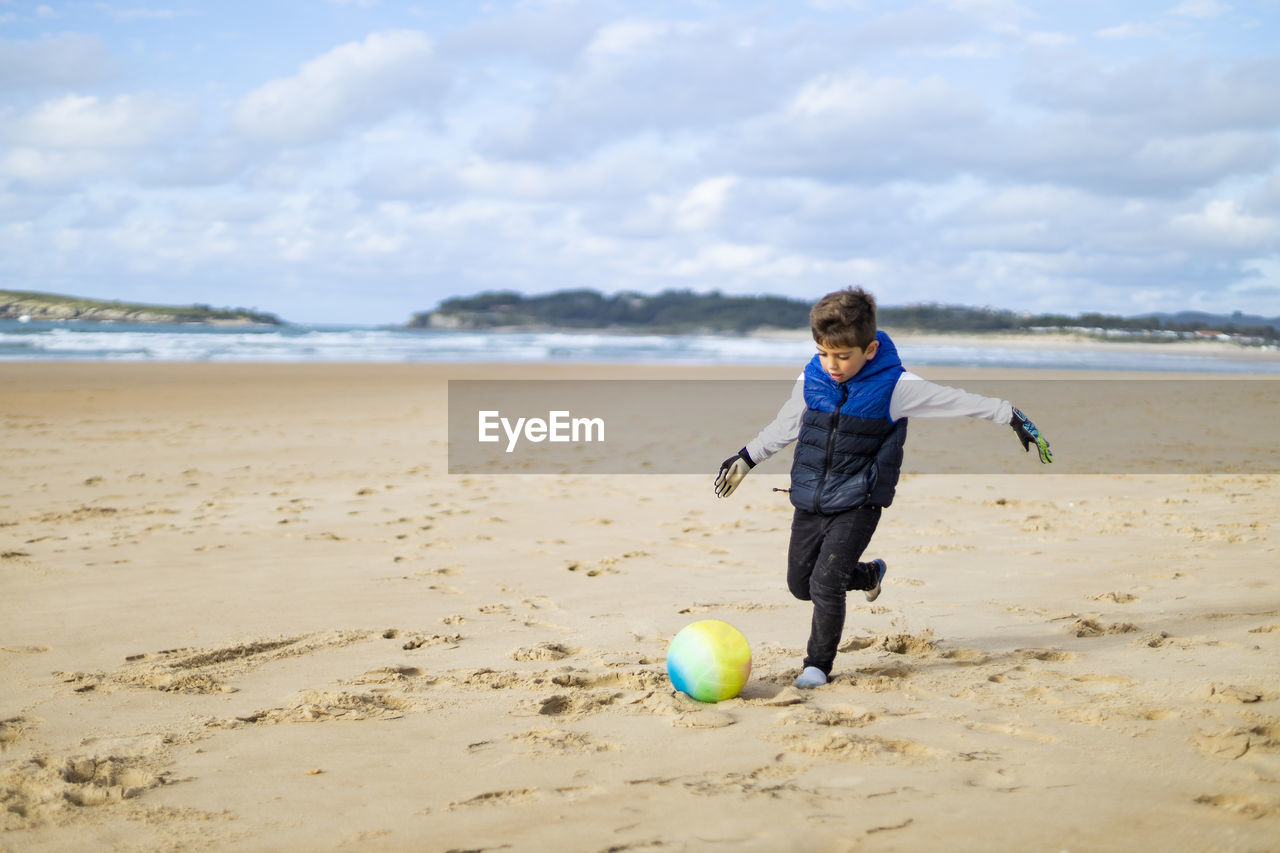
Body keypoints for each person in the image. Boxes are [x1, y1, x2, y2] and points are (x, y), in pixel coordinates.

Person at [714, 287, 1052, 689]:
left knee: (824, 583)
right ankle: (869, 574)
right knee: (800, 585)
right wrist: (747, 457)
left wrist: (1010, 415)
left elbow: (955, 400)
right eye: (824, 353)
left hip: (859, 499)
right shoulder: (811, 377)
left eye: (843, 356)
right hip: (810, 496)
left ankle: (817, 666)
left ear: (870, 349)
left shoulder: (896, 386)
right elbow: (787, 424)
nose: (832, 365)